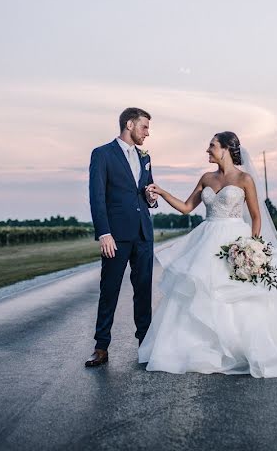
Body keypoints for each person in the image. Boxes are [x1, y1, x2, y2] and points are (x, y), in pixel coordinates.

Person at [139, 131, 277, 377]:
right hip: (207, 239)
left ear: (227, 149)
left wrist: (251, 248)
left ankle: (246, 347)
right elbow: (187, 208)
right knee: (203, 291)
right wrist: (163, 193)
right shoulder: (206, 178)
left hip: (236, 240)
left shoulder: (244, 179)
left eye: (212, 146)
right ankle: (205, 347)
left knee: (243, 296)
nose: (208, 151)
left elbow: (256, 216)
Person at [85, 107, 159, 367]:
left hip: (142, 234)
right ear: (130, 124)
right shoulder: (102, 154)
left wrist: (151, 199)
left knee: (143, 291)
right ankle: (101, 347)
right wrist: (104, 232)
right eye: (144, 127)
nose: (147, 133)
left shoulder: (145, 157)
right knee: (110, 291)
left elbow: (145, 192)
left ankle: (146, 345)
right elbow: (97, 196)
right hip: (116, 236)